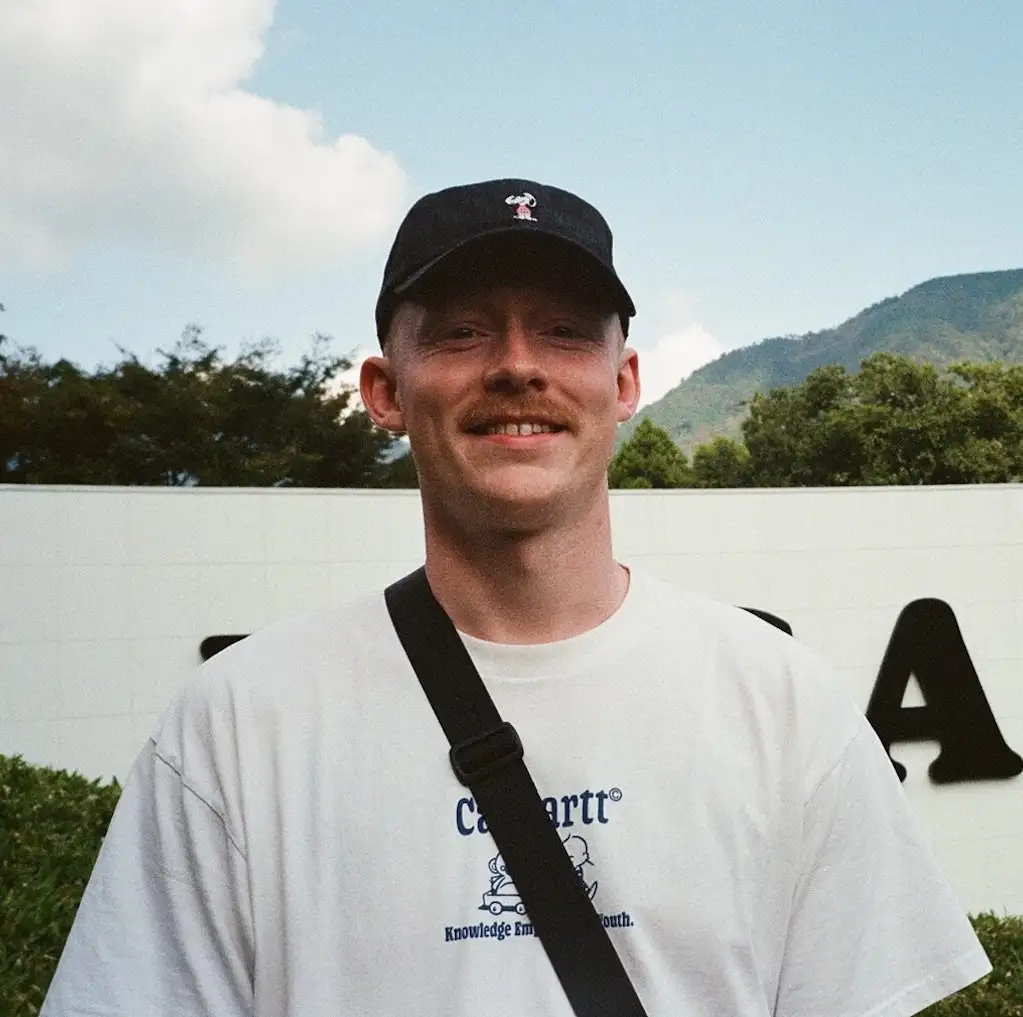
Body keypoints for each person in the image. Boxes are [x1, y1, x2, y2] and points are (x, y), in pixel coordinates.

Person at [41, 178, 991, 1016]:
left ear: (621, 383)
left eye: (564, 331)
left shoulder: (782, 701)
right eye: (460, 331)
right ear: (384, 389)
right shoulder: (235, 725)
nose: (516, 364)